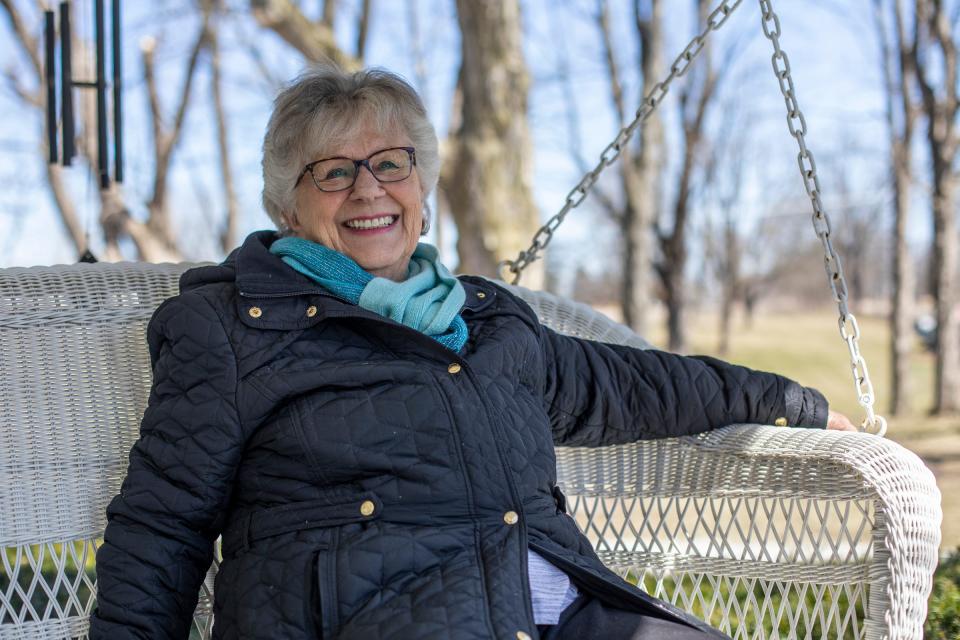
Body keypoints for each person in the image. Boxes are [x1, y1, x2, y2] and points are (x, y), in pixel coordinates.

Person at [89, 65, 857, 640]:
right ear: (289, 204)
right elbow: (163, 525)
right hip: (364, 618)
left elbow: (632, 385)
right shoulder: (230, 326)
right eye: (334, 171)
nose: (368, 189)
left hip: (557, 606)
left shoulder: (488, 320)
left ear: (421, 187)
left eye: (391, 162)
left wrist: (791, 403)